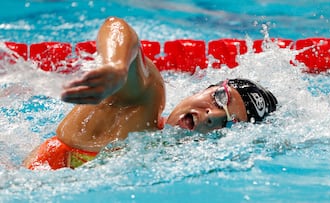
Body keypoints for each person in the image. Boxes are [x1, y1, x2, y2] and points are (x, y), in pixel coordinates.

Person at [23, 17, 277, 170]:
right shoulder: (140, 104)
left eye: (227, 123)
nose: (212, 116)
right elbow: (117, 27)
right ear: (205, 88)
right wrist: (116, 67)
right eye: (220, 99)